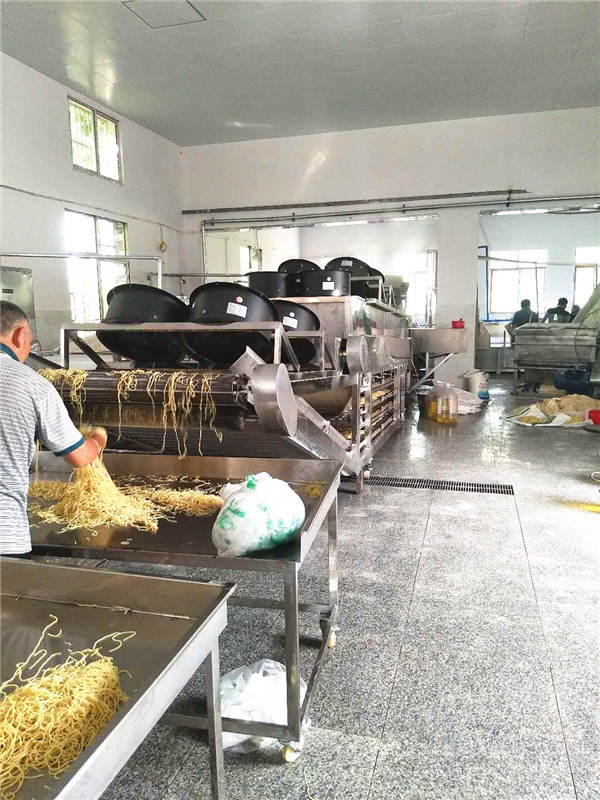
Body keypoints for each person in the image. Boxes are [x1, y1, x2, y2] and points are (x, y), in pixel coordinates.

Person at [0, 301, 107, 556]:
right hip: (5, 535)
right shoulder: (30, 383)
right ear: (20, 334)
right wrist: (97, 440)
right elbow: (79, 457)